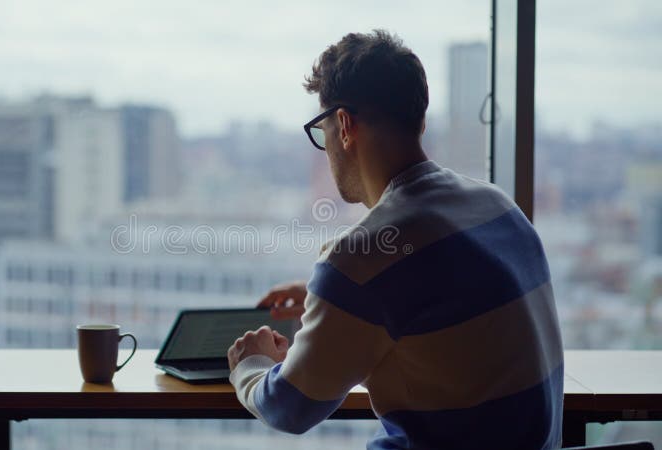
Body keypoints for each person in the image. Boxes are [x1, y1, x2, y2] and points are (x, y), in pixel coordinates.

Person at [226, 30, 563, 449]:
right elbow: (440, 302)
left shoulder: (361, 258)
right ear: (418, 119)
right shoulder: (499, 208)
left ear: (344, 125)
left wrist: (250, 364)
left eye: (322, 130)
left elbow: (289, 407)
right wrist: (333, 301)